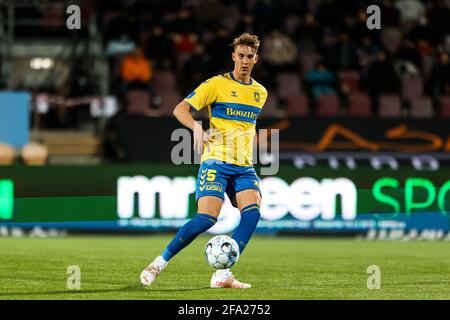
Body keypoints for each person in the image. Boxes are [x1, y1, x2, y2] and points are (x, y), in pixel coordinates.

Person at [140, 33, 267, 289]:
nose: (244, 61)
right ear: (233, 56)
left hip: (243, 167)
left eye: (249, 57)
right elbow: (179, 109)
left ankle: (222, 275)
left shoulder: (260, 93)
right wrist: (197, 129)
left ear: (256, 59)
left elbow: (246, 127)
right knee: (206, 219)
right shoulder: (215, 85)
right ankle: (157, 264)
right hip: (216, 161)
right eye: (240, 55)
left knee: (252, 214)